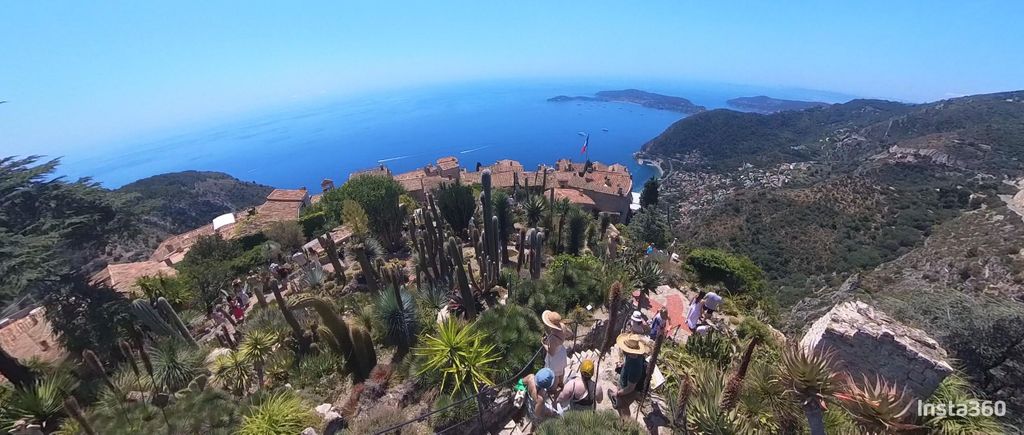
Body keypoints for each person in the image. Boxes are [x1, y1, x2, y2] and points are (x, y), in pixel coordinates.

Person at [609, 334, 649, 416]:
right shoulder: (635, 356)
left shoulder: (635, 368)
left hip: (627, 391)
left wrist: (618, 393)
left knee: (623, 407)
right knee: (622, 406)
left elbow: (630, 388)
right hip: (624, 382)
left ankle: (626, 421)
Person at [541, 310, 568, 388]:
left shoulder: (553, 338)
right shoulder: (562, 326)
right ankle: (561, 383)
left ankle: (554, 389)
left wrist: (543, 344)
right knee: (561, 370)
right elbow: (569, 334)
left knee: (555, 374)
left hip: (556, 356)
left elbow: (551, 353)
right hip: (562, 351)